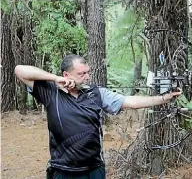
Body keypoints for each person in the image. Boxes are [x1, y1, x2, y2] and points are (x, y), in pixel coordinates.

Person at [15, 54, 181, 179]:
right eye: (81, 74)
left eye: (87, 72)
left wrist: (162, 99)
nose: (87, 77)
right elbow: (20, 70)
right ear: (66, 75)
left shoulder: (96, 94)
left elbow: (131, 101)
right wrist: (54, 79)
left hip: (94, 168)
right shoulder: (50, 92)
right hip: (63, 169)